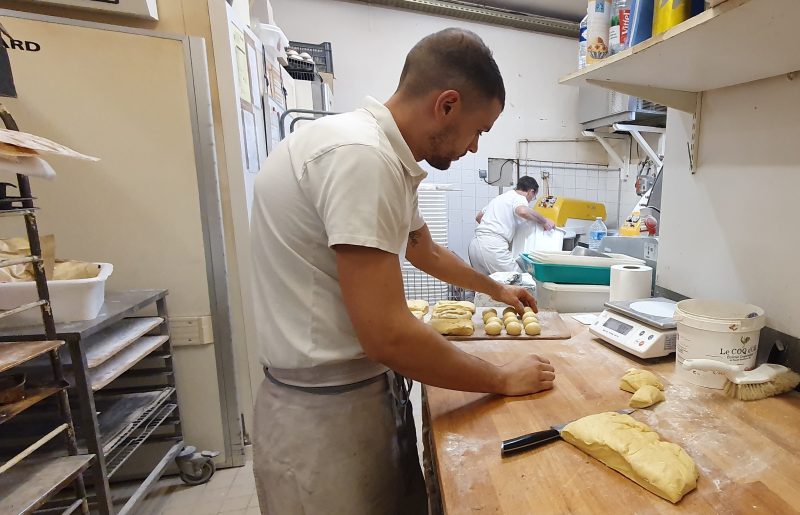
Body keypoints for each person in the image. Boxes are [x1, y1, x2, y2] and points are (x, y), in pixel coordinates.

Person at [249, 28, 555, 515]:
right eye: (479, 130)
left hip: (354, 395)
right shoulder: (362, 159)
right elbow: (388, 335)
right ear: (447, 104)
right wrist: (502, 378)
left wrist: (497, 289)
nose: (474, 148)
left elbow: (423, 249)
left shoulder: (381, 153)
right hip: (325, 416)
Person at [468, 176, 556, 275]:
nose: (531, 200)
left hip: (475, 245)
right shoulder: (520, 198)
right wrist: (544, 221)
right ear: (531, 191)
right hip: (493, 247)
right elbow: (522, 211)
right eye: (533, 197)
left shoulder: (501, 198)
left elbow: (479, 217)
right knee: (518, 279)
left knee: (486, 286)